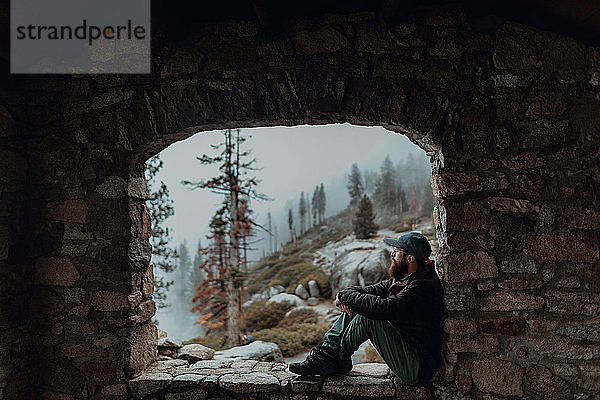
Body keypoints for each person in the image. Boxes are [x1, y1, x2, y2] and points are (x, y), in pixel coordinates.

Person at [289, 231, 444, 384]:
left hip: (418, 366)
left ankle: (337, 359)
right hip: (408, 350)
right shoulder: (405, 279)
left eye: (397, 251)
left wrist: (347, 298)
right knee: (360, 304)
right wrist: (344, 295)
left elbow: (386, 308)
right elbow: (368, 290)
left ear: (410, 258)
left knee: (369, 317)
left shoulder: (423, 287)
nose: (392, 254)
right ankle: (328, 353)